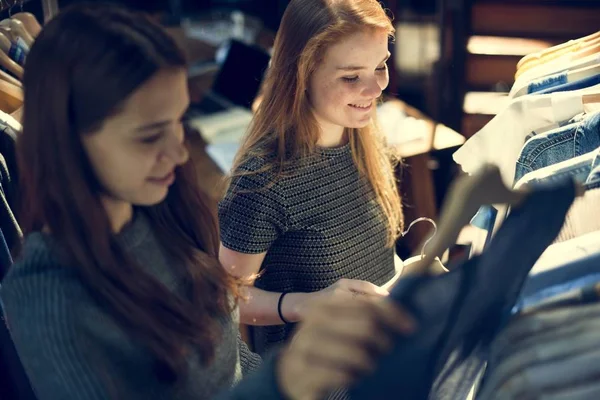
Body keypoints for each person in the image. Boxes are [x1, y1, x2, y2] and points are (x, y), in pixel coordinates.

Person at [0, 4, 416, 400]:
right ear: (67, 138)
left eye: (178, 123)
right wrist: (292, 371)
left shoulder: (161, 213)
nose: (179, 154)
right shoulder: (47, 296)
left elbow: (229, 356)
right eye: (149, 135)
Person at [219, 0, 405, 355]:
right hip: (314, 372)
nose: (375, 88)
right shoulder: (262, 182)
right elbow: (226, 300)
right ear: (301, 74)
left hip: (379, 349)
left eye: (380, 66)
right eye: (351, 77)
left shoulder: (363, 139)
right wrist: (305, 305)